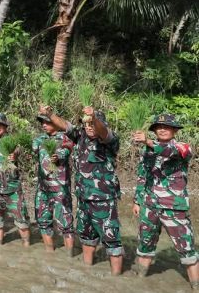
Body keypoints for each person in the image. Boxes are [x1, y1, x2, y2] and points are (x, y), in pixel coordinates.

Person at [41, 105, 123, 275]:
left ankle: (117, 280)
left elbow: (104, 131)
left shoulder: (109, 140)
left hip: (103, 200)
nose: (89, 127)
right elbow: (65, 126)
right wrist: (50, 114)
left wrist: (94, 118)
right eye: (86, 124)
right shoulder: (80, 137)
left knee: (112, 240)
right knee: (86, 238)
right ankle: (87, 270)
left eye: (92, 124)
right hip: (83, 198)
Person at [132, 114, 198, 289]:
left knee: (187, 249)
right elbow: (142, 176)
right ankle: (138, 283)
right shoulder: (147, 150)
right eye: (158, 126)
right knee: (145, 246)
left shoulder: (182, 147)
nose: (162, 129)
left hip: (173, 207)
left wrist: (149, 142)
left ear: (175, 130)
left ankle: (196, 286)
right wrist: (137, 201)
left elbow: (170, 151)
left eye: (167, 126)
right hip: (149, 206)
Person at [0, 113, 31, 246]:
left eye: (0, 124)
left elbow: (18, 149)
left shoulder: (13, 140)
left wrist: (14, 155)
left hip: (13, 190)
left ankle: (26, 247)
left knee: (22, 222)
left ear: (5, 126)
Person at [33, 113, 74, 254]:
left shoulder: (65, 138)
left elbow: (67, 150)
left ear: (56, 123)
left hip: (60, 189)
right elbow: (31, 149)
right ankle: (49, 253)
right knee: (43, 221)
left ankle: (69, 256)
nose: (44, 124)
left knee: (65, 223)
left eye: (47, 122)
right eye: (42, 122)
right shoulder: (39, 139)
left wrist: (58, 156)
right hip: (43, 188)